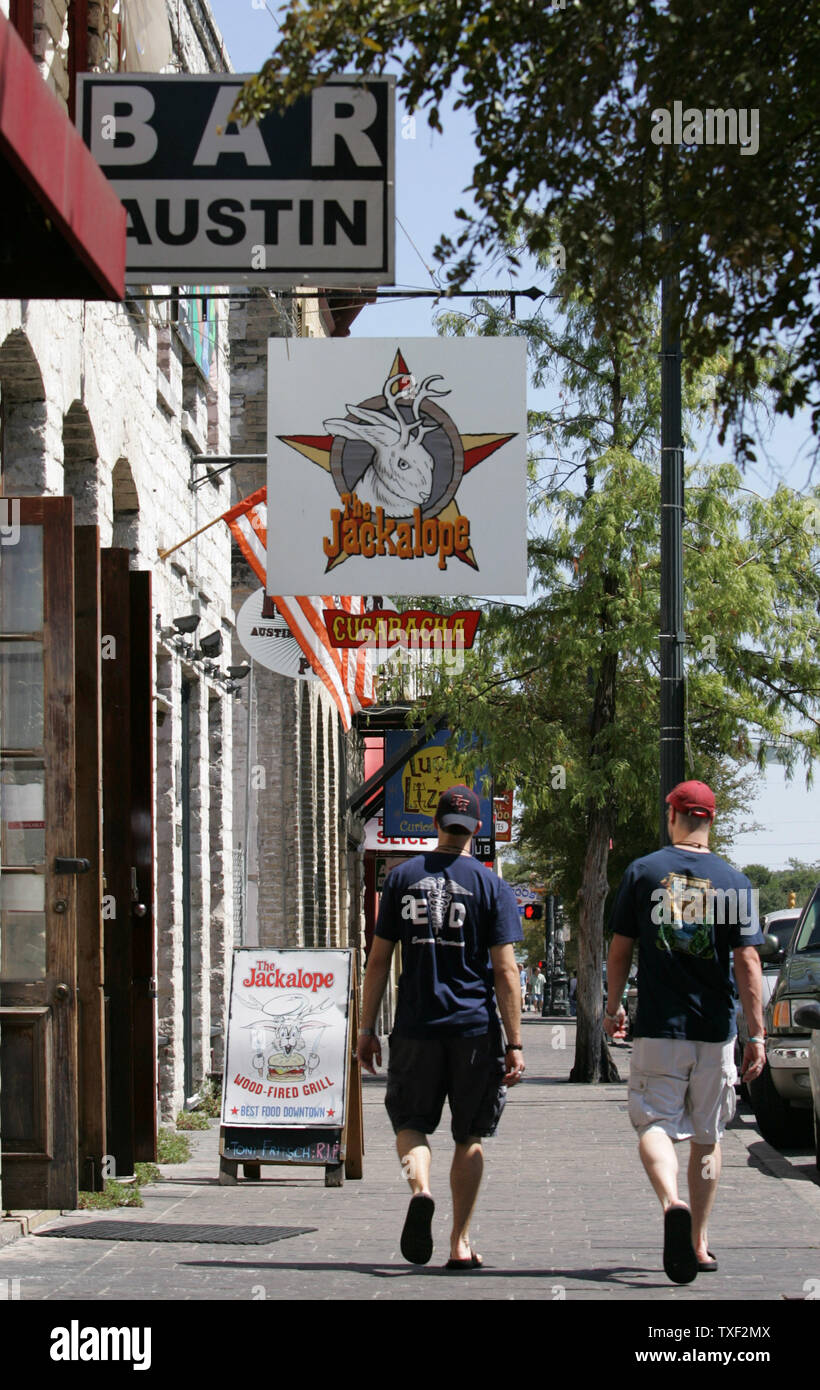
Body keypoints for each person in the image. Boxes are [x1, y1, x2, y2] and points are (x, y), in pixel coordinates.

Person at [357, 784, 525, 1270]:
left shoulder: (402, 878)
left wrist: (367, 1029)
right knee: (470, 1135)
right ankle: (459, 1242)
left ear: (435, 825)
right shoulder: (491, 886)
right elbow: (506, 971)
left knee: (411, 1124)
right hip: (473, 1029)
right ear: (475, 830)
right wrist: (514, 1042)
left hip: (415, 1027)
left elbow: (379, 960)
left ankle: (421, 1190)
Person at [603, 780, 765, 1285]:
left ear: (672, 815)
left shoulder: (642, 872)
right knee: (708, 1136)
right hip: (714, 1031)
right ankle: (697, 1241)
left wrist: (612, 1007)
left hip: (657, 1028)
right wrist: (756, 1035)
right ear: (711, 820)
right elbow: (749, 962)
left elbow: (619, 950)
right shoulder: (735, 882)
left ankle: (671, 1202)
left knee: (652, 1123)